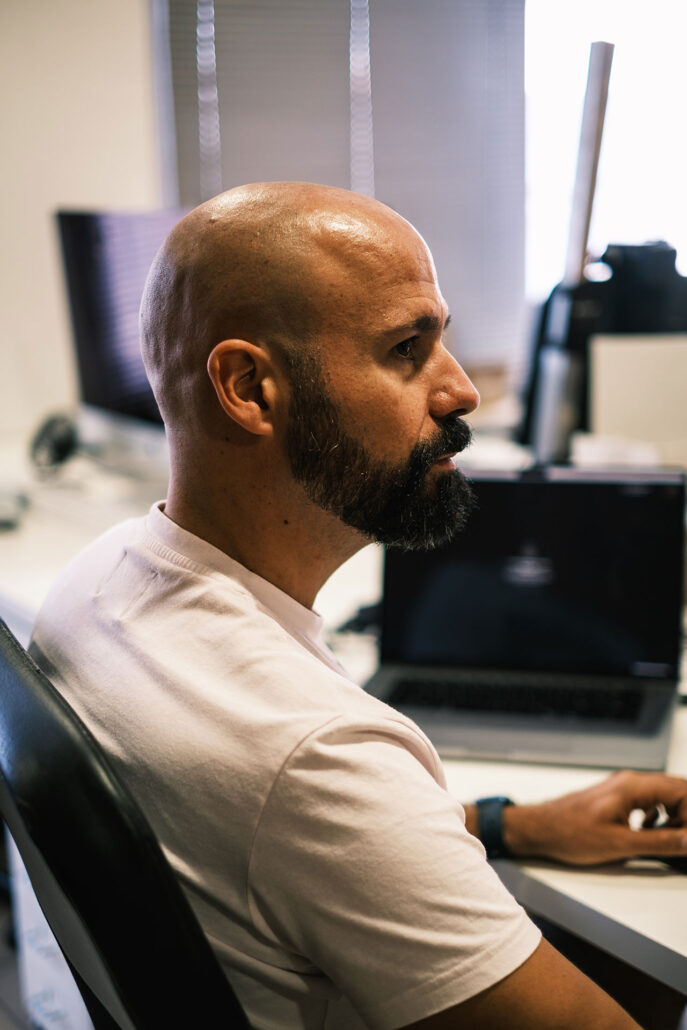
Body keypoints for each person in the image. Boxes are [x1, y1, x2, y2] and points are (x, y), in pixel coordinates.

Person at [31, 182, 687, 1030]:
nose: (460, 391)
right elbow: (308, 799)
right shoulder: (316, 753)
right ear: (247, 387)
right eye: (406, 349)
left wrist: (506, 824)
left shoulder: (94, 585)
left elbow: (272, 831)